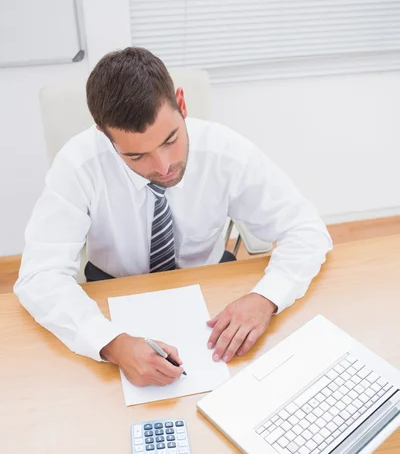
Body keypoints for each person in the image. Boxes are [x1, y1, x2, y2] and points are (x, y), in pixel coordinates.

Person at [14, 47, 332, 387]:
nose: (163, 167)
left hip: (210, 286)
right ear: (104, 134)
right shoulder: (77, 166)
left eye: (170, 140)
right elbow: (39, 276)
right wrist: (111, 343)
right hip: (114, 291)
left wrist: (265, 297)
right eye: (137, 156)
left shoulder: (224, 150)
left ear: (181, 102)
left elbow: (307, 231)